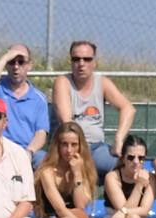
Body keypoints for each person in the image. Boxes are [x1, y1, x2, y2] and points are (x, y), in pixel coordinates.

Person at [52, 39, 135, 176]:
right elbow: (67, 124)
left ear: (94, 62)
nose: (81, 64)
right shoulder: (63, 82)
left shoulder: (102, 82)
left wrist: (118, 140)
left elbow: (128, 108)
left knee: (126, 167)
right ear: (70, 62)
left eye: (87, 59)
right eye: (76, 59)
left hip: (97, 148)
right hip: (69, 149)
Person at [0, 43, 49, 167]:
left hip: (26, 151)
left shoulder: (39, 98)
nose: (16, 66)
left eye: (21, 62)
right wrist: (5, 57)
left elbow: (41, 133)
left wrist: (28, 152)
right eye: (12, 62)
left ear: (29, 65)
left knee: (44, 159)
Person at [33, 122, 103, 218]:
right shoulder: (47, 172)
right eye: (64, 144)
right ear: (57, 146)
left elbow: (80, 205)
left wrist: (76, 173)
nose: (69, 150)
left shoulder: (85, 170)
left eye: (74, 145)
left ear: (80, 146)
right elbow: (59, 210)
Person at [96, 134, 154, 218]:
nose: (136, 162)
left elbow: (144, 212)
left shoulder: (151, 178)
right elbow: (124, 213)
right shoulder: (112, 177)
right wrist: (139, 185)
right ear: (122, 158)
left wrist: (124, 211)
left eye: (141, 158)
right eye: (131, 157)